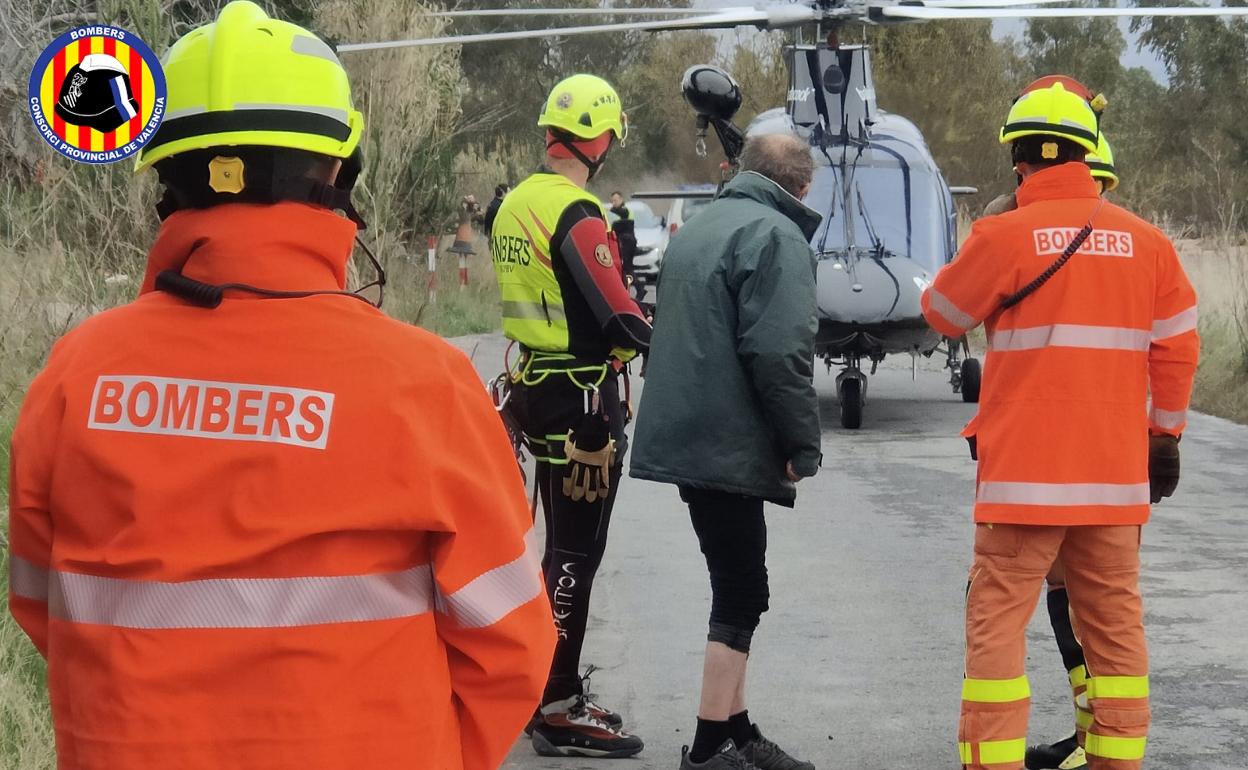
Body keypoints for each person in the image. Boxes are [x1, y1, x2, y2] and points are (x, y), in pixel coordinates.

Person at [6, 4, 555, 769]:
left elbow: (42, 605)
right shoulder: (423, 385)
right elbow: (514, 643)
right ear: (337, 171)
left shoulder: (72, 378)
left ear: (163, 173)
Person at [921, 78, 1198, 770]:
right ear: (1088, 153)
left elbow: (943, 315)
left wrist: (947, 269)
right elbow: (1179, 343)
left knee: (998, 634)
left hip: (1022, 484)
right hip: (1111, 482)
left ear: (1019, 157)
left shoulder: (1002, 234)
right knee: (1115, 634)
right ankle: (1115, 760)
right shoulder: (1149, 243)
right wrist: (1165, 436)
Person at [631, 133, 823, 770]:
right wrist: (801, 444)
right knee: (740, 591)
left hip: (693, 435)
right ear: (801, 188)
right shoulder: (777, 237)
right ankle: (711, 744)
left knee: (742, 584)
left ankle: (737, 730)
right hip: (727, 441)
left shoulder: (701, 227)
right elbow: (779, 353)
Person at [489, 73, 651, 759]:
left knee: (555, 548)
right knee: (576, 557)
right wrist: (651, 332)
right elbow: (618, 312)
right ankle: (556, 708)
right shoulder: (577, 211)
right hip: (584, 404)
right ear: (603, 137)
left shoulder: (513, 203)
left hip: (536, 390)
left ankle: (543, 691)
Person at [1024, 130, 1121, 770]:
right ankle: (1087, 736)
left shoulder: (1102, 254)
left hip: (1086, 460)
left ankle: (1096, 741)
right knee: (1070, 601)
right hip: (1103, 463)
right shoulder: (1124, 249)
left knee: (1089, 609)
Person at [608, 190, 639, 296]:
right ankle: (633, 289)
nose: (613, 203)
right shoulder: (616, 211)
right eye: (612, 201)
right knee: (625, 267)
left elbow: (619, 217)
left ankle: (638, 289)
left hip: (627, 242)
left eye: (615, 200)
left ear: (621, 199)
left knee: (626, 267)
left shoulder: (624, 211)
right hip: (624, 241)